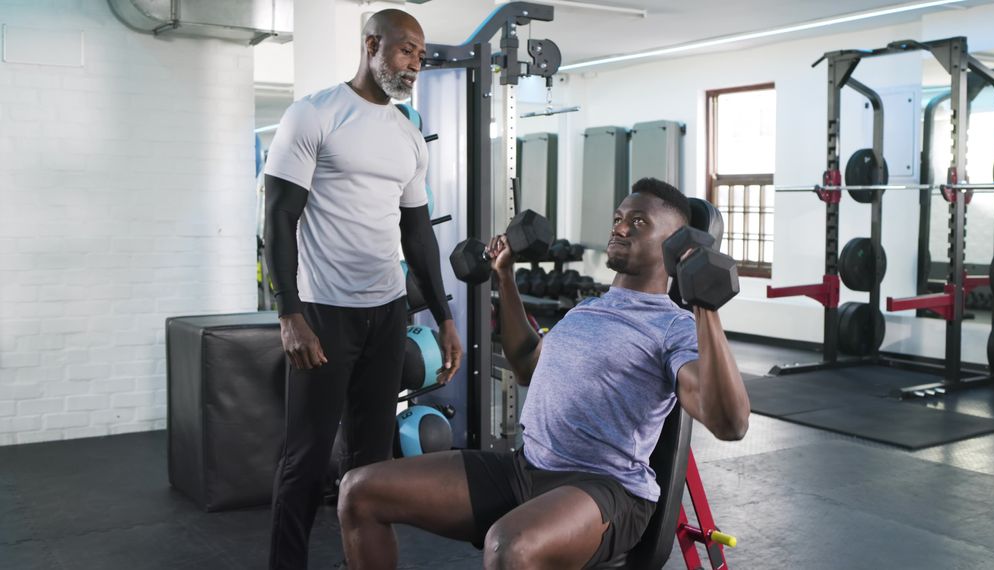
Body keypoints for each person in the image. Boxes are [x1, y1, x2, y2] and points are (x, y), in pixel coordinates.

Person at [335, 178, 750, 569]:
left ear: (675, 245)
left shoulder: (675, 326)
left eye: (638, 222)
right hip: (526, 467)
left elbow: (729, 423)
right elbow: (527, 362)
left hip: (605, 489)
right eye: (618, 218)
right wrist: (504, 276)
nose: (620, 227)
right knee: (359, 491)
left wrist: (705, 307)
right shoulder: (587, 309)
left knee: (510, 547)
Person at [261, 9, 462, 569]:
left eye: (421, 56)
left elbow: (417, 235)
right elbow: (278, 218)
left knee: (372, 462)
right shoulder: (314, 115)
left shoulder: (407, 133)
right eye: (405, 51)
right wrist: (288, 312)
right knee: (305, 457)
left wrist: (445, 317)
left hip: (387, 312)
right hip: (324, 312)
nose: (415, 64)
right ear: (371, 44)